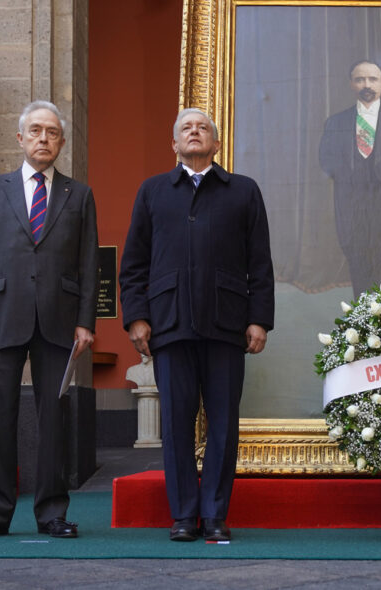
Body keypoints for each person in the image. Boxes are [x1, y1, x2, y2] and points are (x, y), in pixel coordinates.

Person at [119, 108, 275, 542]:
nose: (194, 131)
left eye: (202, 127)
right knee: (175, 423)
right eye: (185, 128)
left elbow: (260, 262)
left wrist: (259, 319)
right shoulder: (153, 191)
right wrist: (136, 317)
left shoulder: (243, 191)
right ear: (173, 144)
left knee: (224, 422)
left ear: (217, 143)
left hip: (226, 324)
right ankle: (185, 514)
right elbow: (133, 264)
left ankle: (215, 514)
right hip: (169, 324)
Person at [0, 100, 99, 540]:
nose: (44, 138)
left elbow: (88, 262)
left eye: (53, 132)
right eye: (36, 131)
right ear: (20, 138)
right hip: (1, 319)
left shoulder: (78, 195)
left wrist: (85, 322)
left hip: (60, 320)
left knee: (53, 419)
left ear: (61, 141)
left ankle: (51, 511)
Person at [319, 60, 381, 298]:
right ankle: (365, 329)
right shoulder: (336, 123)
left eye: (373, 79)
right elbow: (326, 161)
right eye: (360, 79)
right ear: (351, 84)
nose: (367, 84)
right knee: (361, 272)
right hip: (353, 211)